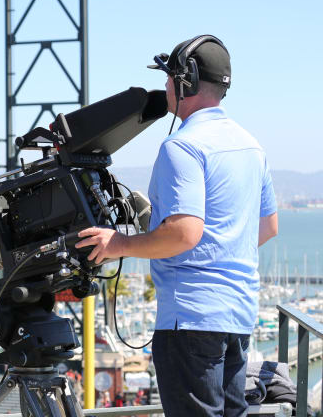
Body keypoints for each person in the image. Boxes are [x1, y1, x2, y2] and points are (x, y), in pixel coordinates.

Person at [76, 35, 278, 417]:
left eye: (170, 77)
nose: (166, 85)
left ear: (183, 82)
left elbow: (185, 232)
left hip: (191, 320)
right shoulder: (252, 146)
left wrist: (118, 243)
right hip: (238, 315)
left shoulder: (182, 146)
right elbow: (267, 226)